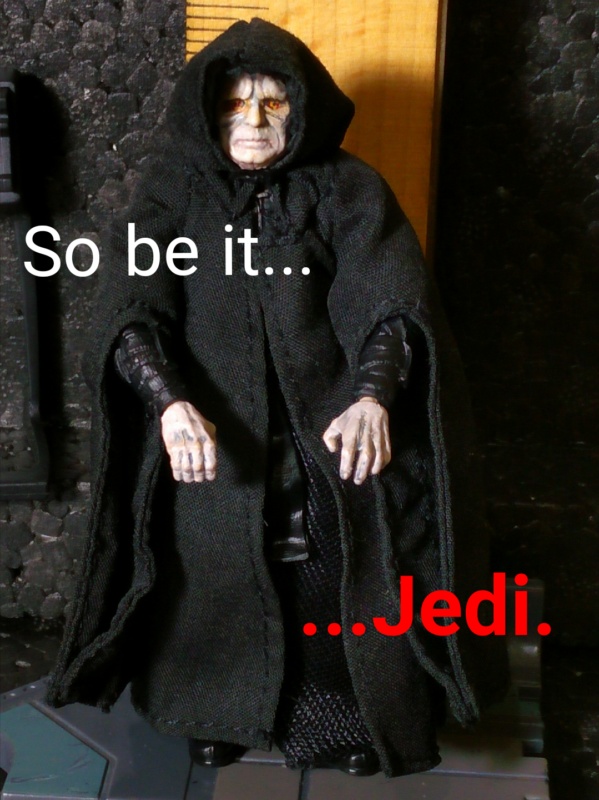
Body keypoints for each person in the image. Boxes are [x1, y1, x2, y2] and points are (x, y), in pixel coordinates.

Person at [47, 18, 508, 779]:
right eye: (235, 104)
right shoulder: (172, 194)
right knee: (210, 567)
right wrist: (169, 403)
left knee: (336, 570)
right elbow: (132, 311)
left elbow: (390, 300)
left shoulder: (347, 188)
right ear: (208, 112)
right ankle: (213, 712)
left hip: (323, 427)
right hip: (213, 434)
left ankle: (349, 717)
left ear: (300, 108)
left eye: (272, 104)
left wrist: (370, 396)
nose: (254, 122)